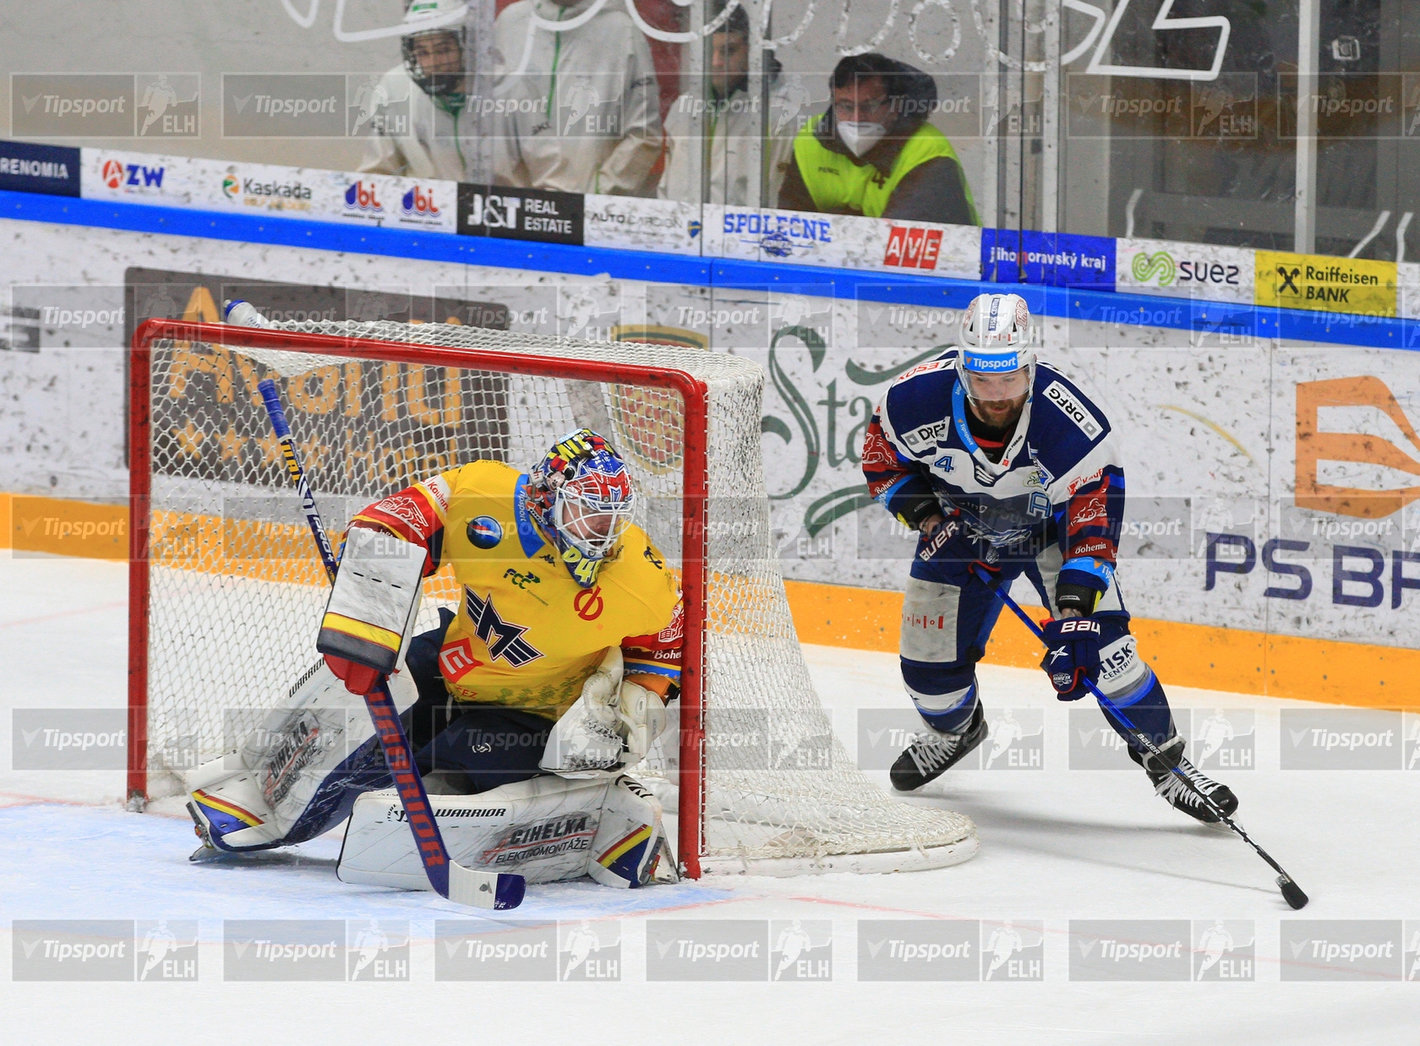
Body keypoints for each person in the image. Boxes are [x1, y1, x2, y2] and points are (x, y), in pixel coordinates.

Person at [185, 427, 684, 889]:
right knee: (360, 702)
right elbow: (390, 521)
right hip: (452, 666)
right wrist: (368, 590)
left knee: (454, 757)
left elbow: (661, 645)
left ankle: (589, 818)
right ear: (546, 497)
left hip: (535, 715)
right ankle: (256, 796)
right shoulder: (484, 495)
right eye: (590, 510)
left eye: (615, 515)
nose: (604, 530)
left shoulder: (642, 581)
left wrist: (633, 712)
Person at [862, 292, 1237, 823]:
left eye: (1009, 380)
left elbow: (1094, 528)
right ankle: (957, 731)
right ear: (962, 369)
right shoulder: (909, 400)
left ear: (1030, 366)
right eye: (982, 381)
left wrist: (1077, 618)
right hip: (960, 529)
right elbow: (882, 463)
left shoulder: (1074, 425)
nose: (996, 396)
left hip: (1053, 533)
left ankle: (1169, 764)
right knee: (928, 675)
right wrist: (931, 520)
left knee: (1111, 658)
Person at [778, 52, 977, 225]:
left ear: (895, 108)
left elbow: (899, 246)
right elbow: (791, 230)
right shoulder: (811, 140)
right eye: (846, 106)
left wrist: (834, 220)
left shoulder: (926, 151)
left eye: (870, 106)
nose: (856, 118)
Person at [491, 0, 663, 195]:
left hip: (588, 208)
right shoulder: (511, 22)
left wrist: (598, 194)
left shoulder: (621, 31)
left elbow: (643, 134)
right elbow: (490, 116)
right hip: (515, 208)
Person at [659, 1, 794, 207]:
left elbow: (773, 199)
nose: (716, 62)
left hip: (741, 236)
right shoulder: (683, 107)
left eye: (728, 51)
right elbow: (666, 189)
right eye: (708, 51)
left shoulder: (776, 116)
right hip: (680, 232)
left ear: (750, 51)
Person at [359, 0, 492, 181]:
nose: (434, 63)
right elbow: (376, 174)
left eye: (443, 50)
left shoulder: (505, 86)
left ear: (467, 46)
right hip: (428, 206)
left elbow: (543, 182)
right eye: (422, 52)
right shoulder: (394, 87)